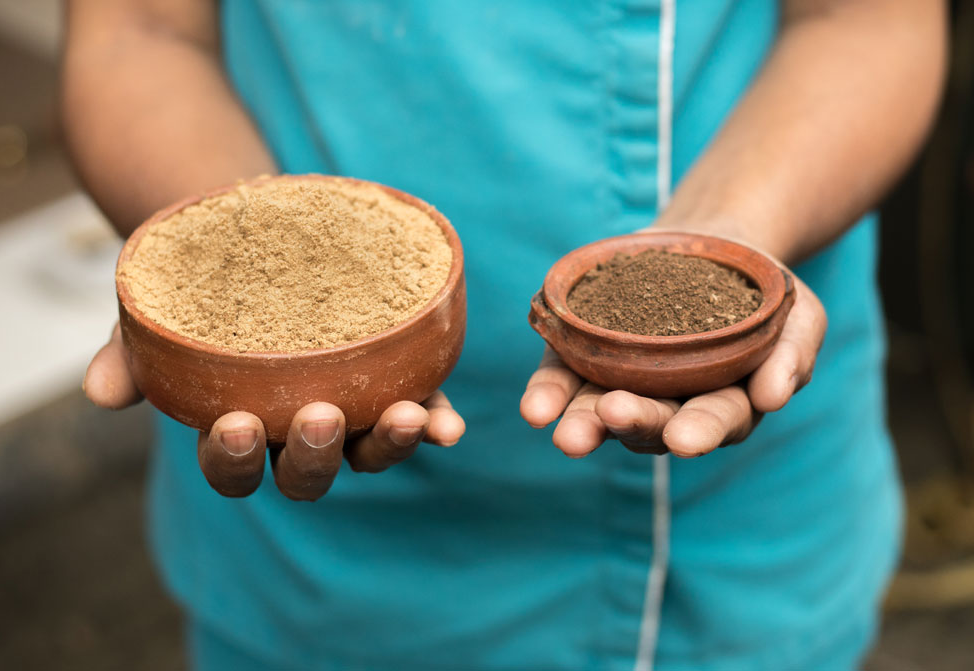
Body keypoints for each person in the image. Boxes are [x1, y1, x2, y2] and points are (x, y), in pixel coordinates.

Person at [63, 1, 946, 669]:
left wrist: (737, 227)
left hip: (740, 543)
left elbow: (865, 22)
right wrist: (237, 240)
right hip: (313, 575)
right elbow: (138, 31)